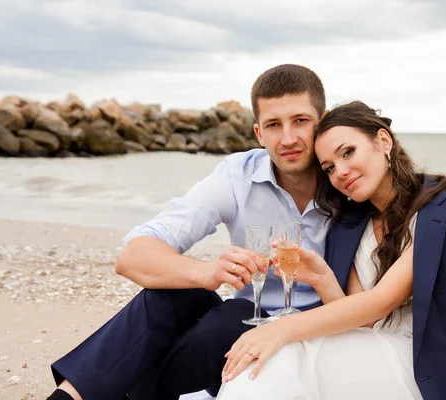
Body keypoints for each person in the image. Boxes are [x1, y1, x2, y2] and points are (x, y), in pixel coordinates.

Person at [217, 101, 446, 400]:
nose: (341, 172)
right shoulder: (351, 226)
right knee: (276, 362)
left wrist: (277, 329)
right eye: (329, 168)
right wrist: (321, 277)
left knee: (283, 350)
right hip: (376, 355)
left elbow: (382, 301)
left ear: (383, 141)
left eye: (347, 152)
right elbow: (363, 321)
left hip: (436, 371)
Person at [46, 64, 343, 400]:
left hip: (315, 336)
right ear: (259, 134)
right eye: (274, 125)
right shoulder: (237, 175)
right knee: (177, 299)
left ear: (324, 121)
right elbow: (133, 257)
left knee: (229, 322)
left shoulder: (349, 179)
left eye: (300, 121)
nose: (288, 138)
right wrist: (207, 272)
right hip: (239, 327)